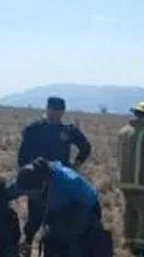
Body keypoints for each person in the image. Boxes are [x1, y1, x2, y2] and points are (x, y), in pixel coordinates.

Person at [10, 159, 108, 257]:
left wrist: (77, 233)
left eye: (32, 192)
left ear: (42, 184)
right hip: (57, 219)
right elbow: (12, 192)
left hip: (82, 217)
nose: (31, 196)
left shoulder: (68, 183)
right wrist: (28, 239)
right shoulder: (30, 178)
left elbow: (92, 207)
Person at [17, 97, 92, 247]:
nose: (55, 114)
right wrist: (24, 174)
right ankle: (28, 241)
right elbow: (22, 155)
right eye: (52, 109)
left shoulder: (68, 131)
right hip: (36, 179)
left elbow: (86, 147)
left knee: (57, 216)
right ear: (46, 109)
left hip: (59, 181)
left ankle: (51, 251)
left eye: (58, 111)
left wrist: (75, 166)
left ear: (63, 112)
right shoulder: (34, 129)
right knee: (35, 215)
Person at [117, 101, 144, 255]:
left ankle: (128, 242)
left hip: (125, 181)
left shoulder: (123, 131)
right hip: (142, 182)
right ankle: (142, 247)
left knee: (129, 214)